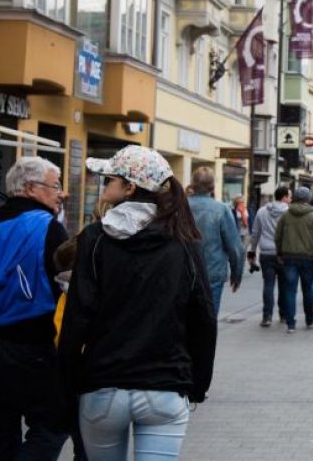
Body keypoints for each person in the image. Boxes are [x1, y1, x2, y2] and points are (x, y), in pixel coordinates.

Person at [58, 146, 216, 460]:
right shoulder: (184, 240)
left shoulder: (95, 239)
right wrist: (197, 384)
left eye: (109, 179)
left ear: (130, 188)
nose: (103, 185)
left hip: (103, 388)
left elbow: (77, 318)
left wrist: (66, 385)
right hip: (165, 387)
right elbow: (204, 317)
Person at [0, 157, 68, 460]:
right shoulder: (46, 227)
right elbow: (71, 286)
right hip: (29, 346)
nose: (59, 193)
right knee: (53, 425)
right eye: (54, 186)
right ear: (31, 188)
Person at [187, 167, 242, 313]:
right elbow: (235, 247)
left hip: (183, 272)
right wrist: (237, 274)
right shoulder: (221, 209)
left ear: (193, 183)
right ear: (212, 186)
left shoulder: (180, 207)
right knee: (208, 320)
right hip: (212, 273)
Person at [274, 186, 313, 332]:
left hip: (289, 256)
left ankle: (290, 323)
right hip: (308, 257)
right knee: (307, 288)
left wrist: (280, 252)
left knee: (290, 290)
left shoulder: (286, 215)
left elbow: (278, 236)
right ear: (308, 198)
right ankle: (309, 319)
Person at [250, 186, 290, 327]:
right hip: (284, 253)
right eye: (289, 196)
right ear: (284, 197)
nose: (290, 200)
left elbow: (255, 233)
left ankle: (267, 316)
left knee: (268, 285)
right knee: (284, 286)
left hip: (266, 253)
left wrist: (252, 251)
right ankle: (284, 315)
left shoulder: (262, 211)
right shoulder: (289, 212)